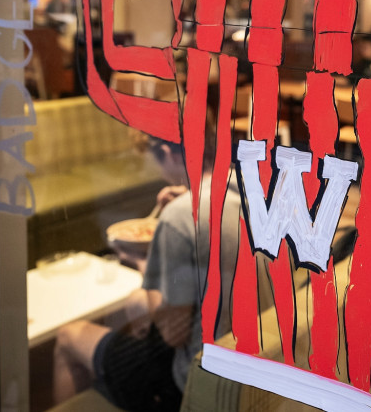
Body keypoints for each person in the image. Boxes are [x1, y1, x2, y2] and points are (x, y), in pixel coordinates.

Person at [53, 174, 242, 411]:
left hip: (186, 381)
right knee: (135, 301)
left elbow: (173, 333)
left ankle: (139, 386)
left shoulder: (178, 217)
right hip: (234, 346)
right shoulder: (242, 188)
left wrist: (145, 264)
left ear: (164, 151)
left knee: (67, 336)